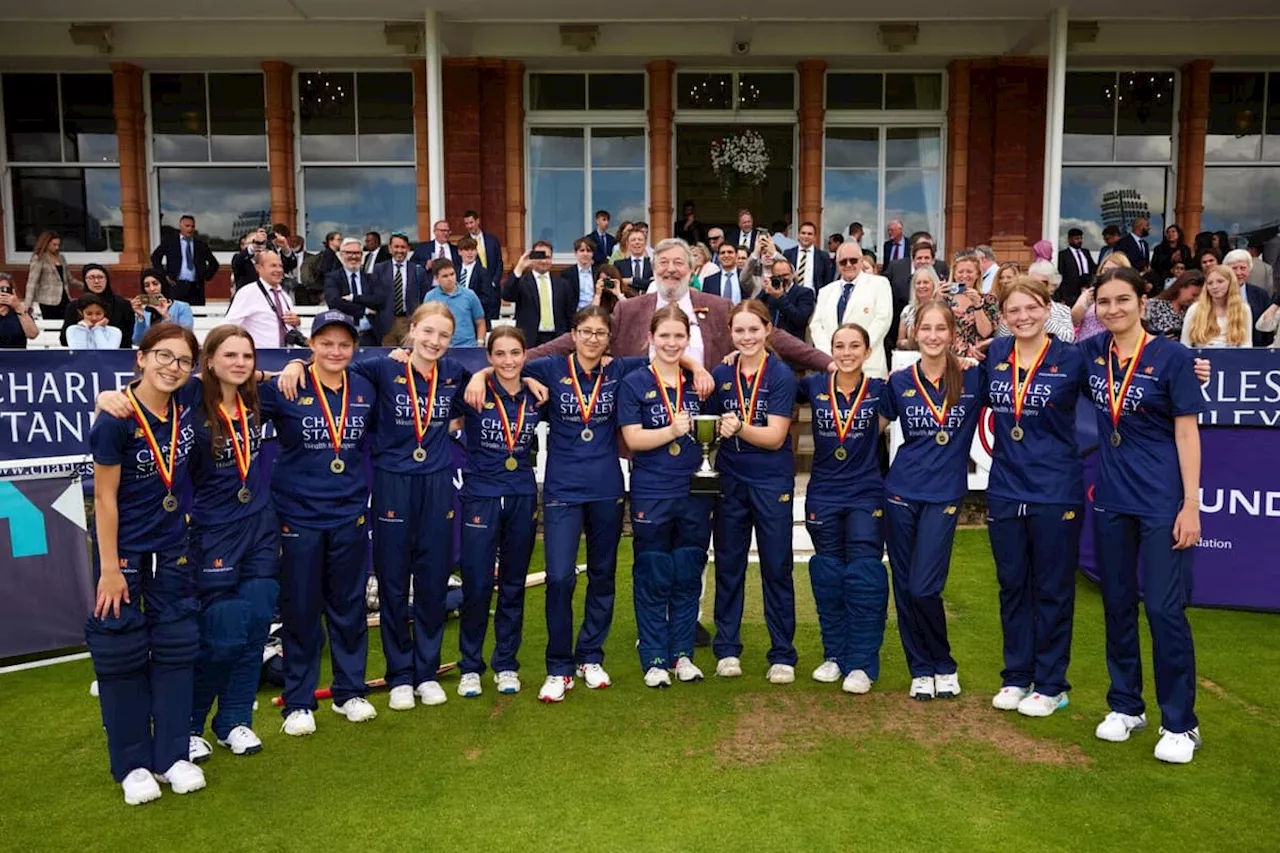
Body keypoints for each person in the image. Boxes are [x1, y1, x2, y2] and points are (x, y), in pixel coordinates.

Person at [98, 327, 283, 761]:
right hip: (208, 530)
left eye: (247, 356)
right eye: (229, 355)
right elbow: (140, 401)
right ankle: (193, 723)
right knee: (220, 631)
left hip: (259, 527)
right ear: (209, 361)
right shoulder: (189, 399)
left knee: (257, 622)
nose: (239, 363)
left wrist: (293, 365)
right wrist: (105, 399)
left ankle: (235, 720)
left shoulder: (259, 396)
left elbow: (303, 374)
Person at [475, 307, 675, 701]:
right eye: (586, 331)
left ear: (609, 337)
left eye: (601, 333)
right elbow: (506, 363)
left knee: (602, 574)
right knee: (561, 577)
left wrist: (696, 367)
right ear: (573, 333)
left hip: (606, 488)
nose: (593, 338)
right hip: (562, 489)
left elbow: (665, 353)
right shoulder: (550, 368)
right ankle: (559, 665)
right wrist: (482, 374)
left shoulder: (620, 370)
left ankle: (590, 656)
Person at [284, 304, 472, 710]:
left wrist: (489, 373)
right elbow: (331, 365)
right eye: (427, 332)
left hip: (437, 485)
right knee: (391, 581)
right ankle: (400, 674)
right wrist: (297, 363)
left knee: (432, 582)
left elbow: (496, 381)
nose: (434, 341)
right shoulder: (381, 369)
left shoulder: (455, 373)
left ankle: (426, 671)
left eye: (443, 335)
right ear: (412, 331)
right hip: (392, 483)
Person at [1082, 267, 1204, 764]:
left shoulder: (1173, 356)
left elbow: (1188, 434)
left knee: (1163, 610)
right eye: (1105, 302)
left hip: (1161, 502)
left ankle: (1180, 722)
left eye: (1122, 300)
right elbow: (1034, 353)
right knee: (1116, 605)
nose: (1113, 310)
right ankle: (1126, 704)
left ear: (1142, 300)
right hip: (1111, 499)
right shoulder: (1093, 354)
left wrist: (1190, 505)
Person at [86, 323, 203, 805]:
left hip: (175, 552)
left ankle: (173, 754)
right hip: (126, 558)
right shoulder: (115, 418)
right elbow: (105, 499)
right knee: (121, 659)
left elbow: (248, 371)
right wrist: (109, 568)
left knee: (177, 654)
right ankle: (133, 764)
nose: (173, 367)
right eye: (163, 356)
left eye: (183, 360)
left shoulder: (190, 401)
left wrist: (300, 362)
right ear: (141, 357)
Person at [268, 311, 378, 735]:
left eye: (344, 345)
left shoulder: (365, 385)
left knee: (348, 605)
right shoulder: (286, 386)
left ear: (354, 349)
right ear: (311, 345)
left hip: (349, 513)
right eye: (326, 343)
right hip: (298, 515)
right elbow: (221, 388)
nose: (335, 351)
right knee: (301, 608)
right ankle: (298, 701)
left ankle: (350, 692)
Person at [984, 277, 1087, 717]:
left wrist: (1192, 366)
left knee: (1052, 589)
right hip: (1006, 486)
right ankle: (1016, 676)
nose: (1022, 317)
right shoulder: (994, 354)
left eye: (1031, 308)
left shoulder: (1072, 357)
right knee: (1012, 586)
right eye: (1013, 311)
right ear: (1003, 318)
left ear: (1048, 309)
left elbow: (1124, 370)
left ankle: (1050, 684)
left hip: (1055, 488)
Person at [879, 300, 984, 700]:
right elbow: (874, 420)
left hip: (944, 495)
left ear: (952, 334)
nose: (934, 336)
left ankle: (944, 661)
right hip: (901, 492)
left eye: (941, 329)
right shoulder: (900, 380)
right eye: (926, 328)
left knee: (925, 586)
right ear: (914, 333)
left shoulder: (973, 378)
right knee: (904, 586)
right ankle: (920, 668)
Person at [705, 301, 800, 684]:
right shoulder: (721, 372)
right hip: (730, 480)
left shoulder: (780, 374)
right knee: (729, 564)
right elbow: (708, 425)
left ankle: (782, 654)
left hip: (771, 481)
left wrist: (739, 427)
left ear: (767, 330)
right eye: (739, 331)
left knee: (777, 566)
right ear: (730, 333)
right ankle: (727, 649)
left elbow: (775, 437)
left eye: (753, 330)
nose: (746, 337)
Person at [618, 305, 712, 688]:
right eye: (665, 336)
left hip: (694, 489)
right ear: (651, 339)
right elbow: (633, 439)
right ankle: (655, 657)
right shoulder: (635, 382)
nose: (672, 343)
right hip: (652, 489)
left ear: (688, 340)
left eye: (679, 336)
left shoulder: (700, 383)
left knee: (688, 571)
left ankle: (683, 653)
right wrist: (672, 431)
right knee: (654, 573)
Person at [452, 327, 545, 698]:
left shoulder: (537, 394)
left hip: (522, 494)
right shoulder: (473, 391)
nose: (508, 361)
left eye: (515, 353)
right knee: (476, 584)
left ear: (525, 355)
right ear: (489, 357)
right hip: (481, 495)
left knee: (512, 584)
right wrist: (480, 374)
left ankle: (506, 663)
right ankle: (470, 667)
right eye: (500, 354)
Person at [799, 323, 888, 694]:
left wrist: (961, 361)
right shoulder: (815, 386)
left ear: (868, 352)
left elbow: (933, 379)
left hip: (866, 494)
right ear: (830, 350)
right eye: (839, 346)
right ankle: (835, 655)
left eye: (855, 346)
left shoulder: (883, 390)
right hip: (824, 494)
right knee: (829, 575)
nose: (847, 352)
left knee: (865, 576)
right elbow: (774, 361)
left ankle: (862, 664)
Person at [811, 242, 895, 377]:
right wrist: (831, 353)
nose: (848, 265)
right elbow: (816, 325)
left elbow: (882, 320)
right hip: (833, 367)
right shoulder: (825, 291)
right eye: (843, 262)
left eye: (853, 260)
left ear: (861, 261)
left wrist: (857, 350)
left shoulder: (880, 284)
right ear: (837, 264)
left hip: (868, 367)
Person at [222, 251, 303, 350]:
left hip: (285, 356)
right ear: (259, 268)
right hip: (259, 356)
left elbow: (290, 329)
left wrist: (297, 322)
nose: (278, 270)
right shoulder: (248, 292)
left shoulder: (285, 296)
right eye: (273, 266)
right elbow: (229, 325)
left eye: (280, 266)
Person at [503, 241, 576, 346]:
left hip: (557, 338)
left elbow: (570, 314)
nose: (543, 261)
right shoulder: (522, 282)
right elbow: (507, 295)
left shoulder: (563, 284)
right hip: (530, 339)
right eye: (539, 256)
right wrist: (520, 266)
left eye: (547, 257)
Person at [326, 237, 390, 347]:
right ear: (341, 255)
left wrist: (354, 298)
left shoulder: (371, 278)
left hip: (369, 336)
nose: (354, 257)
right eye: (349, 253)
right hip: (343, 334)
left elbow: (379, 300)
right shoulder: (333, 278)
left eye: (357, 253)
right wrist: (364, 310)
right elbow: (334, 302)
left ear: (362, 255)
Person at [371, 232, 427, 345]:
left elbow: (423, 297)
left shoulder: (417, 270)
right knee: (388, 357)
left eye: (403, 247)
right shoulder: (379, 269)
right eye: (396, 247)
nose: (400, 250)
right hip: (386, 324)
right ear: (390, 248)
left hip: (408, 322)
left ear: (408, 249)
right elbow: (374, 296)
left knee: (409, 355)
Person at [997, 262, 1075, 342]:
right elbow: (1002, 338)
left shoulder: (1063, 310)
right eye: (1033, 283)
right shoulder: (1015, 308)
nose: (1038, 287)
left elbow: (1068, 338)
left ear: (1053, 286)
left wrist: (1042, 316)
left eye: (1043, 283)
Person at [151, 215, 219, 306]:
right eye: (187, 226)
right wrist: (164, 276)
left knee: (197, 316)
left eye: (192, 226)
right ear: (180, 226)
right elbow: (155, 257)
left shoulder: (200, 245)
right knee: (175, 316)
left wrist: (205, 276)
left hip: (196, 288)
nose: (190, 229)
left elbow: (214, 263)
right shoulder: (171, 241)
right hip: (176, 286)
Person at [59, 264, 132, 348]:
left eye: (100, 277)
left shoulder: (122, 304)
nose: (96, 281)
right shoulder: (74, 306)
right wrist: (82, 328)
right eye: (91, 277)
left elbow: (127, 339)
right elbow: (64, 340)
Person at [1181, 266, 1252, 348]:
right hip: (1202, 358)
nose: (1214, 287)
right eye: (1210, 283)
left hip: (1233, 358)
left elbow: (1246, 344)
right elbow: (1185, 344)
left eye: (1220, 281)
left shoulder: (1243, 309)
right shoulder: (1195, 309)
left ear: (1231, 283)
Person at [422, 258, 486, 348]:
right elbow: (425, 323)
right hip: (439, 347)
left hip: (467, 347)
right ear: (436, 278)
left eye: (452, 274)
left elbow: (480, 321)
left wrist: (480, 344)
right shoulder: (430, 297)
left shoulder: (470, 295)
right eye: (445, 276)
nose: (450, 279)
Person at [947, 253, 999, 357]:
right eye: (960, 272)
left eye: (969, 272)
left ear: (977, 275)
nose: (965, 275)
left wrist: (977, 305)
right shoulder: (945, 299)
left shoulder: (989, 300)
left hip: (976, 357)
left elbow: (985, 333)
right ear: (954, 274)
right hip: (948, 357)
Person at [1073, 252, 1131, 342]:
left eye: (1115, 271)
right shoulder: (1090, 293)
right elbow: (1073, 320)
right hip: (1085, 346)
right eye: (1106, 270)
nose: (1109, 275)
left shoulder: (1129, 297)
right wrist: (1085, 305)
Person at [1222, 249, 1273, 346]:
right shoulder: (1218, 294)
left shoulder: (1260, 294)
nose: (1238, 272)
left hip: (1256, 350)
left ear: (1249, 270)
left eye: (1243, 268)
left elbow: (1268, 325)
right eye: (1234, 268)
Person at [755, 257, 816, 339]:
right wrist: (764, 290)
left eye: (785, 275)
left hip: (793, 341)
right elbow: (754, 308)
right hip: (770, 340)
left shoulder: (805, 293)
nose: (782, 279)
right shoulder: (770, 292)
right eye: (778, 276)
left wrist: (780, 297)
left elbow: (801, 319)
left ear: (792, 274)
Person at [131, 269, 194, 347]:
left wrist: (166, 316)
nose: (152, 289)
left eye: (155, 284)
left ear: (163, 284)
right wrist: (140, 318)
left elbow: (185, 337)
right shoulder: (145, 311)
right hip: (152, 352)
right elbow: (137, 341)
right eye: (147, 285)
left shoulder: (182, 307)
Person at [25, 230, 77, 319]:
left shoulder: (61, 258)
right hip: (48, 300)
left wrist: (85, 284)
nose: (57, 247)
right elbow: (32, 282)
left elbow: (69, 278)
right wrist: (28, 303)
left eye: (58, 245)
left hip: (64, 298)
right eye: (54, 244)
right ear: (46, 243)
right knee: (51, 325)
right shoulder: (39, 258)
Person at [896, 266, 943, 350]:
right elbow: (899, 342)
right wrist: (909, 343)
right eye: (918, 283)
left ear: (934, 284)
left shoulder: (942, 308)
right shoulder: (908, 310)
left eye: (925, 282)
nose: (921, 286)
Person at [1145, 271, 1203, 339]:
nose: (1195, 299)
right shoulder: (1152, 305)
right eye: (1194, 295)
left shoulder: (1192, 311)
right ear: (1181, 288)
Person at [457, 235, 500, 322]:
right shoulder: (455, 270)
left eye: (473, 250)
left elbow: (487, 297)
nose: (470, 253)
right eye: (466, 250)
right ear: (460, 252)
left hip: (476, 316)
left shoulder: (483, 272)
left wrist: (468, 305)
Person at [784, 221, 834, 291]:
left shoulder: (823, 256)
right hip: (792, 297)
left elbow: (828, 280)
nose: (806, 236)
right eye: (803, 233)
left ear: (814, 237)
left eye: (809, 234)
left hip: (814, 299)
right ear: (798, 235)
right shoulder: (788, 254)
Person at [1057, 228, 1096, 308]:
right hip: (1070, 293)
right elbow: (1061, 275)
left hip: (1086, 290)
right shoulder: (1063, 255)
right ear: (1069, 239)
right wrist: (1062, 296)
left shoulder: (1086, 252)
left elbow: (1093, 268)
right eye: (1077, 239)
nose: (1080, 241)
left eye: (1081, 238)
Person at [0, 273, 39, 348]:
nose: (1, 293)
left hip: (17, 357)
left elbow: (33, 334)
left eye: (4, 289)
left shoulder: (20, 311)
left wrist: (18, 307)